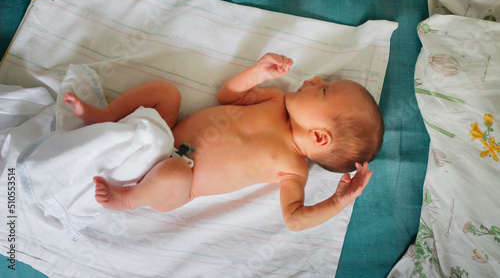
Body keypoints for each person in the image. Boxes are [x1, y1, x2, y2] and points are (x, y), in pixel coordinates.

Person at [64, 53, 383, 231]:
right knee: (166, 93)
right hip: (167, 133)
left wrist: (338, 202)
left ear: (319, 137)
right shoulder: (275, 99)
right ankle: (105, 116)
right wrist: (257, 73)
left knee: (175, 171)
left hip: (177, 182)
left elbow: (295, 219)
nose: (316, 79)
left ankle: (129, 198)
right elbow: (229, 95)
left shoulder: (293, 170)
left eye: (324, 90)